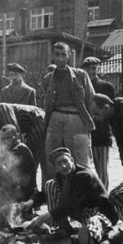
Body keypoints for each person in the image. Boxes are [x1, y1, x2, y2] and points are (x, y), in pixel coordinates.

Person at [20, 147, 118, 244]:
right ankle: (63, 228)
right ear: (55, 167)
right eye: (59, 164)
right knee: (50, 184)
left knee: (94, 222)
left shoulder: (83, 175)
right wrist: (28, 203)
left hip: (100, 212)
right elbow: (44, 195)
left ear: (72, 160)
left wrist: (47, 216)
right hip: (82, 212)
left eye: (65, 161)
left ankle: (90, 242)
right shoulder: (61, 177)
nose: (63, 166)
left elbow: (73, 204)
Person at [43, 42, 96, 173]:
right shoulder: (48, 78)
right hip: (55, 120)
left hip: (76, 119)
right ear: (53, 56)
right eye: (57, 54)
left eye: (63, 54)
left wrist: (87, 122)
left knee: (80, 162)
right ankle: (55, 191)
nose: (60, 58)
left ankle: (82, 191)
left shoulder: (80, 75)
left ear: (69, 56)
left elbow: (92, 100)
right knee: (54, 161)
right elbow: (46, 104)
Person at [0, 102, 48, 185]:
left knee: (27, 157)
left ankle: (31, 189)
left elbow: (15, 133)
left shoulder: (1, 109)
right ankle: (32, 188)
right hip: (34, 126)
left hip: (39, 120)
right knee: (26, 158)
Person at [0, 125, 37, 227]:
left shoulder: (20, 149)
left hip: (23, 190)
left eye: (8, 138)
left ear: (16, 136)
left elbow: (9, 174)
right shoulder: (9, 150)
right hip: (14, 186)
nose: (5, 141)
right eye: (3, 139)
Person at [81, 57, 115, 189]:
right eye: (88, 69)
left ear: (98, 69)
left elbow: (111, 112)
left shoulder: (106, 87)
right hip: (84, 133)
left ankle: (104, 198)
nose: (91, 71)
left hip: (101, 134)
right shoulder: (80, 86)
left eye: (94, 68)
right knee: (85, 170)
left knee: (102, 171)